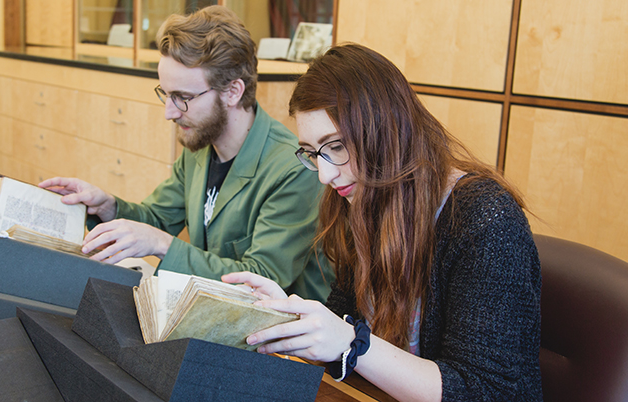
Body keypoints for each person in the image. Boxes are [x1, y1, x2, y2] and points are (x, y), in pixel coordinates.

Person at [223, 43, 542, 401]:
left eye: (337, 146)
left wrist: (351, 345)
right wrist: (290, 319)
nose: (325, 174)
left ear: (384, 130)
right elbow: (343, 320)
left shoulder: (485, 218)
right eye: (313, 153)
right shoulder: (361, 198)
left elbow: (482, 391)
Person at [39, 6, 332, 302]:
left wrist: (163, 245)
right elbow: (156, 219)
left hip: (280, 337)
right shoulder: (201, 146)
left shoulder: (293, 169)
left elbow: (258, 280)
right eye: (166, 94)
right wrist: (108, 207)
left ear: (233, 92)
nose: (169, 112)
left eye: (183, 97)